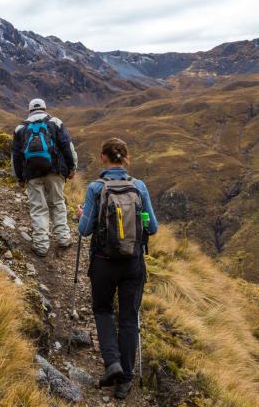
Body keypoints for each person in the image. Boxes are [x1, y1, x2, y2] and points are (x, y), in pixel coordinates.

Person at [76, 138, 158, 400]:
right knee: (128, 318)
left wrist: (82, 216)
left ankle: (113, 363)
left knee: (102, 310)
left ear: (103, 158)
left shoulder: (95, 188)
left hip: (103, 262)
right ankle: (126, 380)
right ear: (126, 158)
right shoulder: (139, 187)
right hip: (133, 263)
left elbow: (84, 230)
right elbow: (153, 228)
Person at [12, 98, 78, 257]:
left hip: (32, 174)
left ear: (29, 111)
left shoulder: (20, 128)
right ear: (44, 108)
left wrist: (20, 177)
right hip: (54, 171)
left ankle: (41, 246)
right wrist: (72, 167)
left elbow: (16, 157)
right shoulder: (55, 122)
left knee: (38, 208)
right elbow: (67, 147)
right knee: (57, 203)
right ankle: (63, 238)